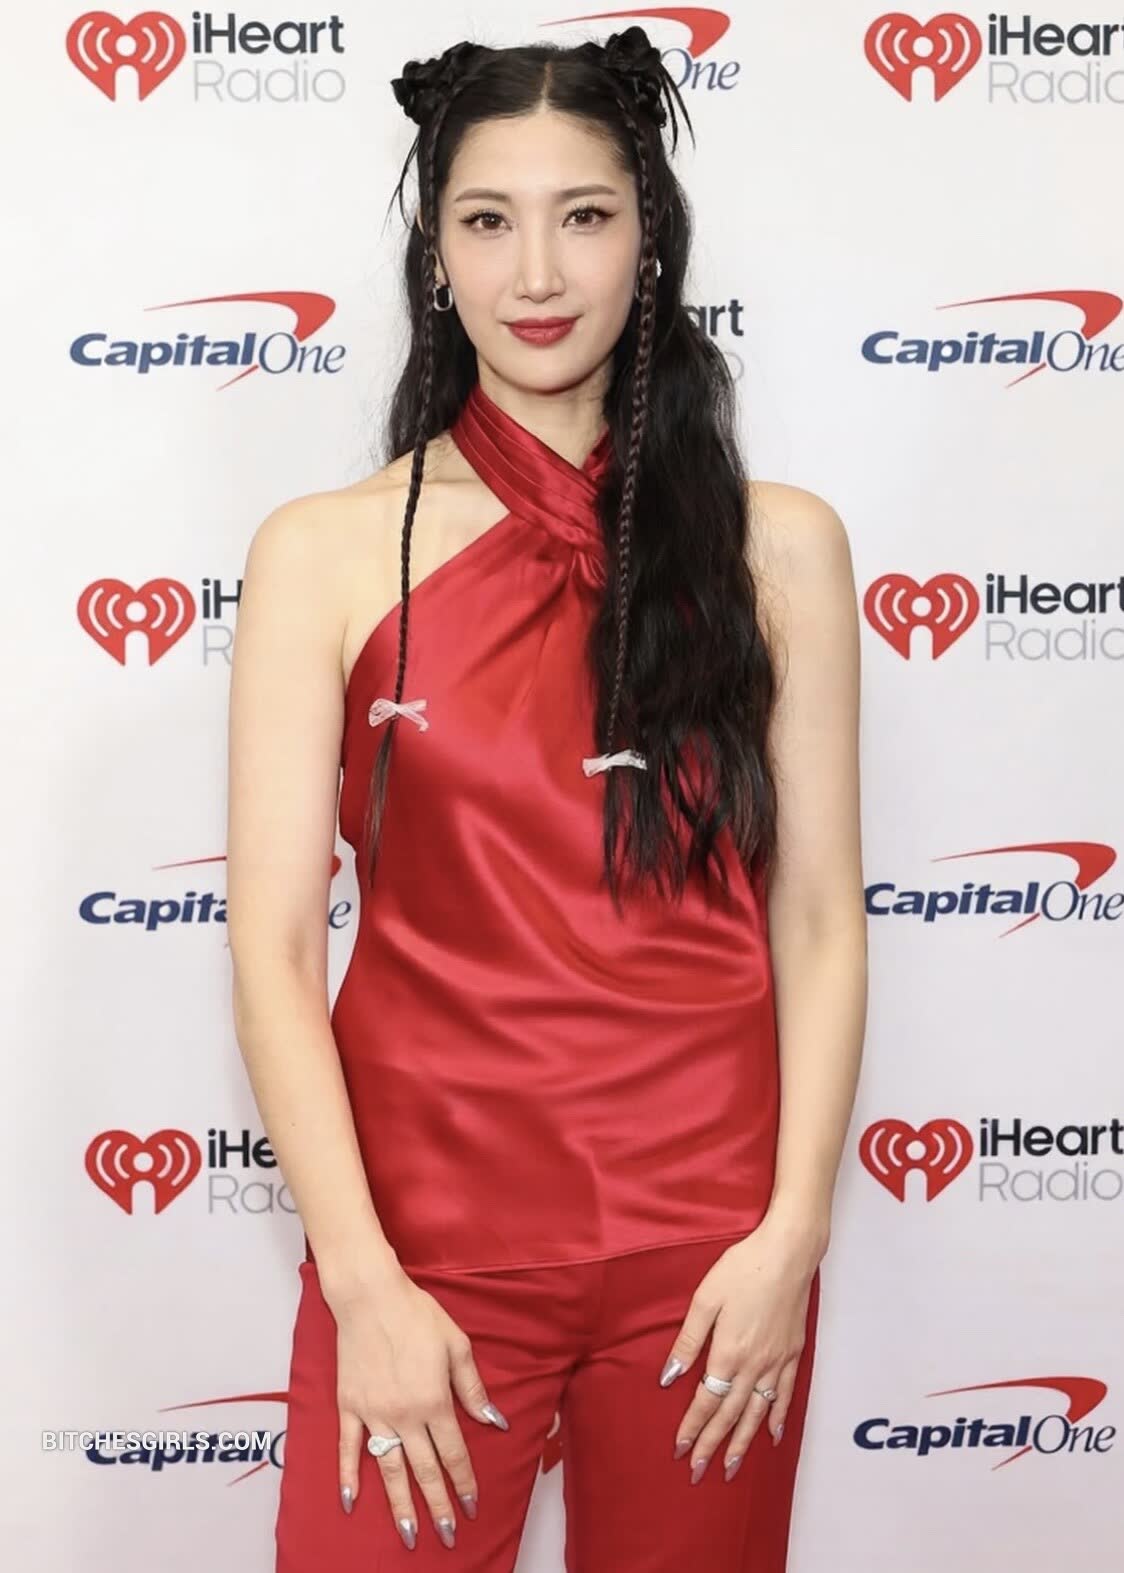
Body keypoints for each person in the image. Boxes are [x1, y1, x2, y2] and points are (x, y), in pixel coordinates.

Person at [226, 24, 867, 1573]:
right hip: (424, 1258)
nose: (535, 272)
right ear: (435, 253)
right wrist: (362, 1279)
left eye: (584, 215)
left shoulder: (778, 546)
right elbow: (273, 948)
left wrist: (792, 1235)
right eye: (486, 219)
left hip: (709, 1263)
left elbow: (821, 915)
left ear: (651, 239)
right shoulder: (322, 551)